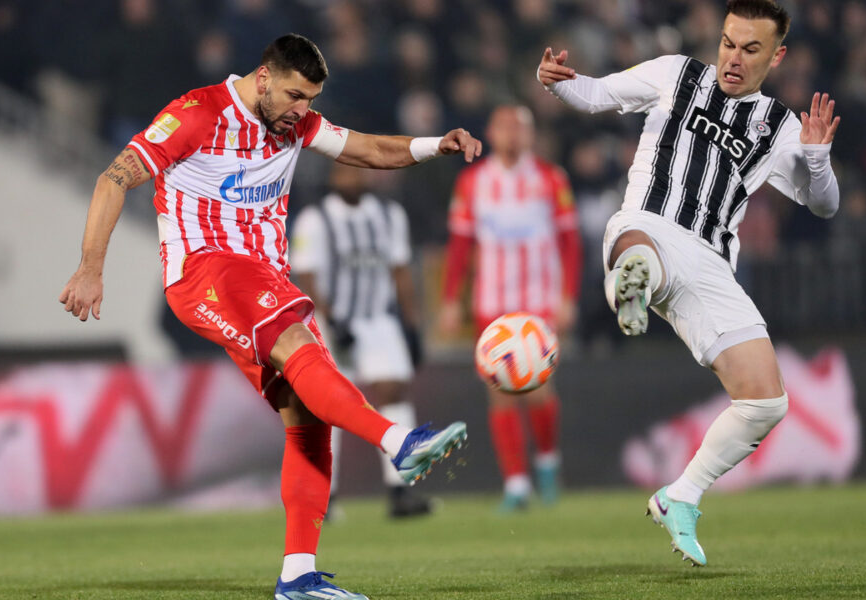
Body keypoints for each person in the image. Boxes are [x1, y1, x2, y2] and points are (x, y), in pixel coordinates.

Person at [59, 34, 481, 600]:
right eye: (293, 95)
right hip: (209, 269)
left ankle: (297, 577)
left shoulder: (295, 123)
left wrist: (436, 146)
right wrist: (90, 267)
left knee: (307, 416)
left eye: (310, 99)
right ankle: (399, 442)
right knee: (299, 343)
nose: (302, 110)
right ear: (263, 78)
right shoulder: (197, 113)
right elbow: (114, 177)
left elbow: (371, 150)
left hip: (261, 277)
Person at [538, 0, 840, 566]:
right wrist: (556, 81)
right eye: (728, 42)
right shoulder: (677, 73)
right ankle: (633, 283)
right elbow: (596, 93)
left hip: (709, 263)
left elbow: (824, 206)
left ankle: (681, 494)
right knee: (642, 254)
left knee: (767, 403)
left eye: (751, 49)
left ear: (776, 57)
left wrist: (819, 159)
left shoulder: (780, 127)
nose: (733, 57)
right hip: (645, 223)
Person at [439, 105, 581, 511]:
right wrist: (451, 300)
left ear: (532, 135)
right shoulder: (473, 182)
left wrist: (568, 296)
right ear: (491, 133)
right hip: (493, 301)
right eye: (505, 127)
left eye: (521, 127)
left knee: (538, 387)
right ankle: (516, 484)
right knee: (499, 390)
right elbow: (460, 246)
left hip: (539, 299)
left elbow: (570, 242)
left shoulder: (551, 179)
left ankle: (548, 461)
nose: (513, 134)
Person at [289, 162, 431, 519]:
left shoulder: (389, 214)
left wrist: (412, 324)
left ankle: (401, 490)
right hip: (334, 322)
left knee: (394, 390)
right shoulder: (315, 219)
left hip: (379, 320)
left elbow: (400, 269)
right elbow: (308, 275)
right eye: (344, 174)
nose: (352, 180)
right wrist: (331, 322)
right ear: (333, 178)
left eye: (357, 173)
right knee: (328, 406)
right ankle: (327, 497)